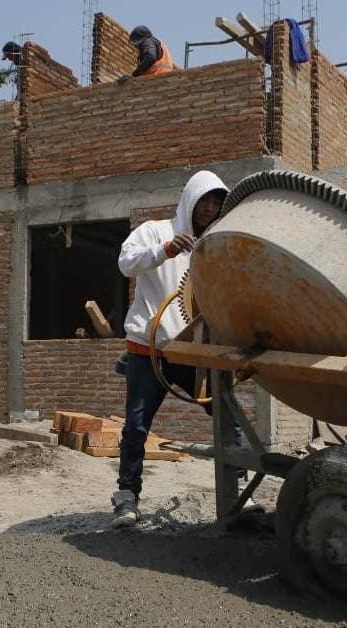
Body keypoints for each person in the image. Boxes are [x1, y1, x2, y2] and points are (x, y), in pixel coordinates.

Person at [111, 170, 228, 527]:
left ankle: (237, 492)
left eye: (216, 203)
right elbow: (125, 264)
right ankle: (127, 497)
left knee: (227, 417)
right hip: (147, 350)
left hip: (192, 352)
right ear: (191, 199)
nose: (209, 209)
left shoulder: (216, 243)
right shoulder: (155, 231)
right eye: (205, 201)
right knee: (136, 426)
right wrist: (165, 250)